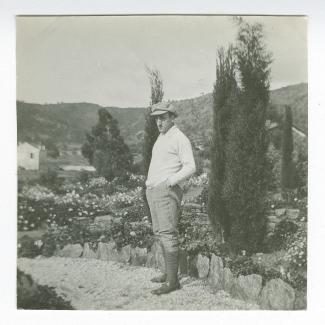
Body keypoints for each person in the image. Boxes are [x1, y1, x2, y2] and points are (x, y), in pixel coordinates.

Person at [146, 101, 196, 295]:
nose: (159, 122)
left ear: (172, 117)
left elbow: (190, 166)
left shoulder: (179, 138)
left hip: (166, 191)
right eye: (156, 118)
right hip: (154, 191)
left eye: (163, 117)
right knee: (160, 232)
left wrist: (170, 181)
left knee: (168, 233)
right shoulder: (162, 137)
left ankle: (173, 281)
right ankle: (167, 273)